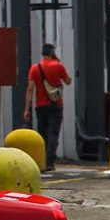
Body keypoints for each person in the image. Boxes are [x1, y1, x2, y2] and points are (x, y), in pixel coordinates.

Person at [24, 43, 72, 171]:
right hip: (56, 105)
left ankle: (42, 160)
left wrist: (27, 109)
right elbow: (68, 81)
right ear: (52, 53)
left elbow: (30, 89)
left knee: (42, 133)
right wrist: (58, 63)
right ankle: (50, 162)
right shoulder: (58, 66)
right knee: (53, 133)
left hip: (40, 105)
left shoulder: (35, 68)